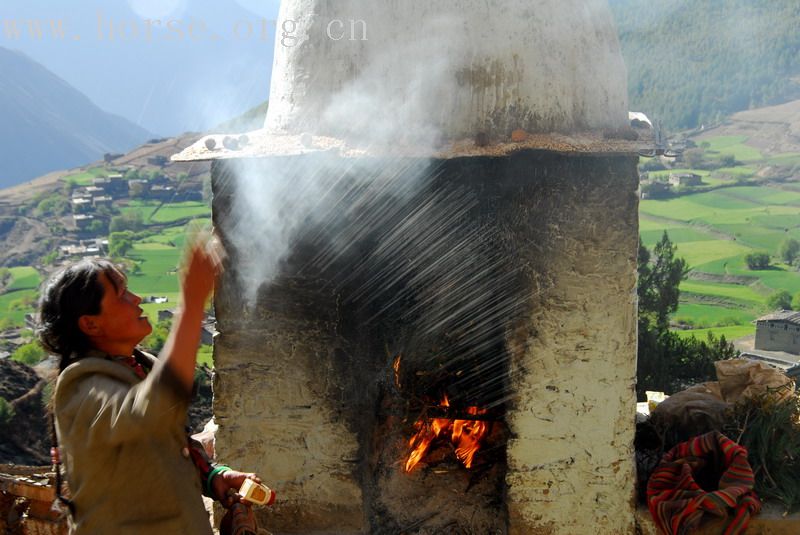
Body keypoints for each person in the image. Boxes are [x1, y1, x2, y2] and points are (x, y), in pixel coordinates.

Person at [38, 232, 259, 534]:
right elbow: (148, 411)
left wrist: (211, 477)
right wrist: (192, 304)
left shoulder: (140, 365)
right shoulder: (80, 387)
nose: (137, 299)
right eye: (121, 294)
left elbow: (166, 443)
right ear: (90, 323)